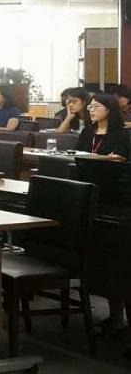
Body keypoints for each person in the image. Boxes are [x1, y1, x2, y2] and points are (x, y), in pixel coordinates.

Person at [75, 93, 130, 336]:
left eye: (96, 106)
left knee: (117, 261)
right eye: (90, 106)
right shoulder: (88, 131)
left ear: (109, 109)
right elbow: (76, 154)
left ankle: (120, 318)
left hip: (113, 197)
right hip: (89, 192)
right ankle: (114, 316)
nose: (91, 109)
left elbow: (119, 158)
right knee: (103, 262)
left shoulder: (121, 134)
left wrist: (95, 159)